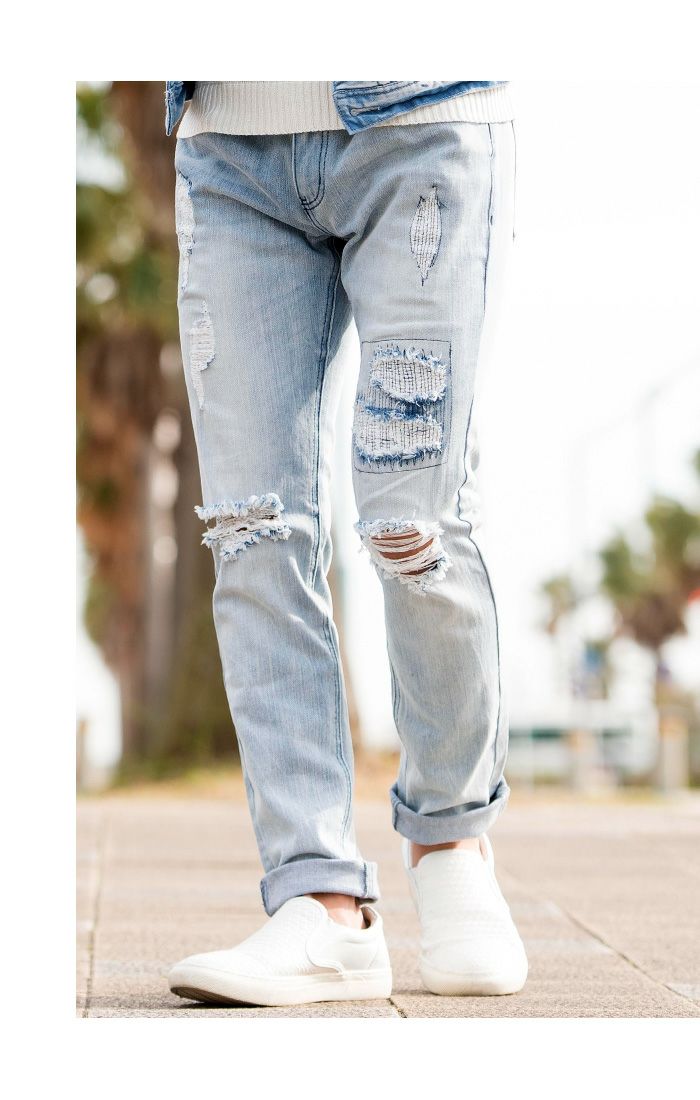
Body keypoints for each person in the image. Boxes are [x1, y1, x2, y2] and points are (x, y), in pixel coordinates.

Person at [165, 81, 527, 1007]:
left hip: (421, 119)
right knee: (250, 533)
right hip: (228, 144)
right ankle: (320, 902)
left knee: (414, 523)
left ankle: (451, 841)